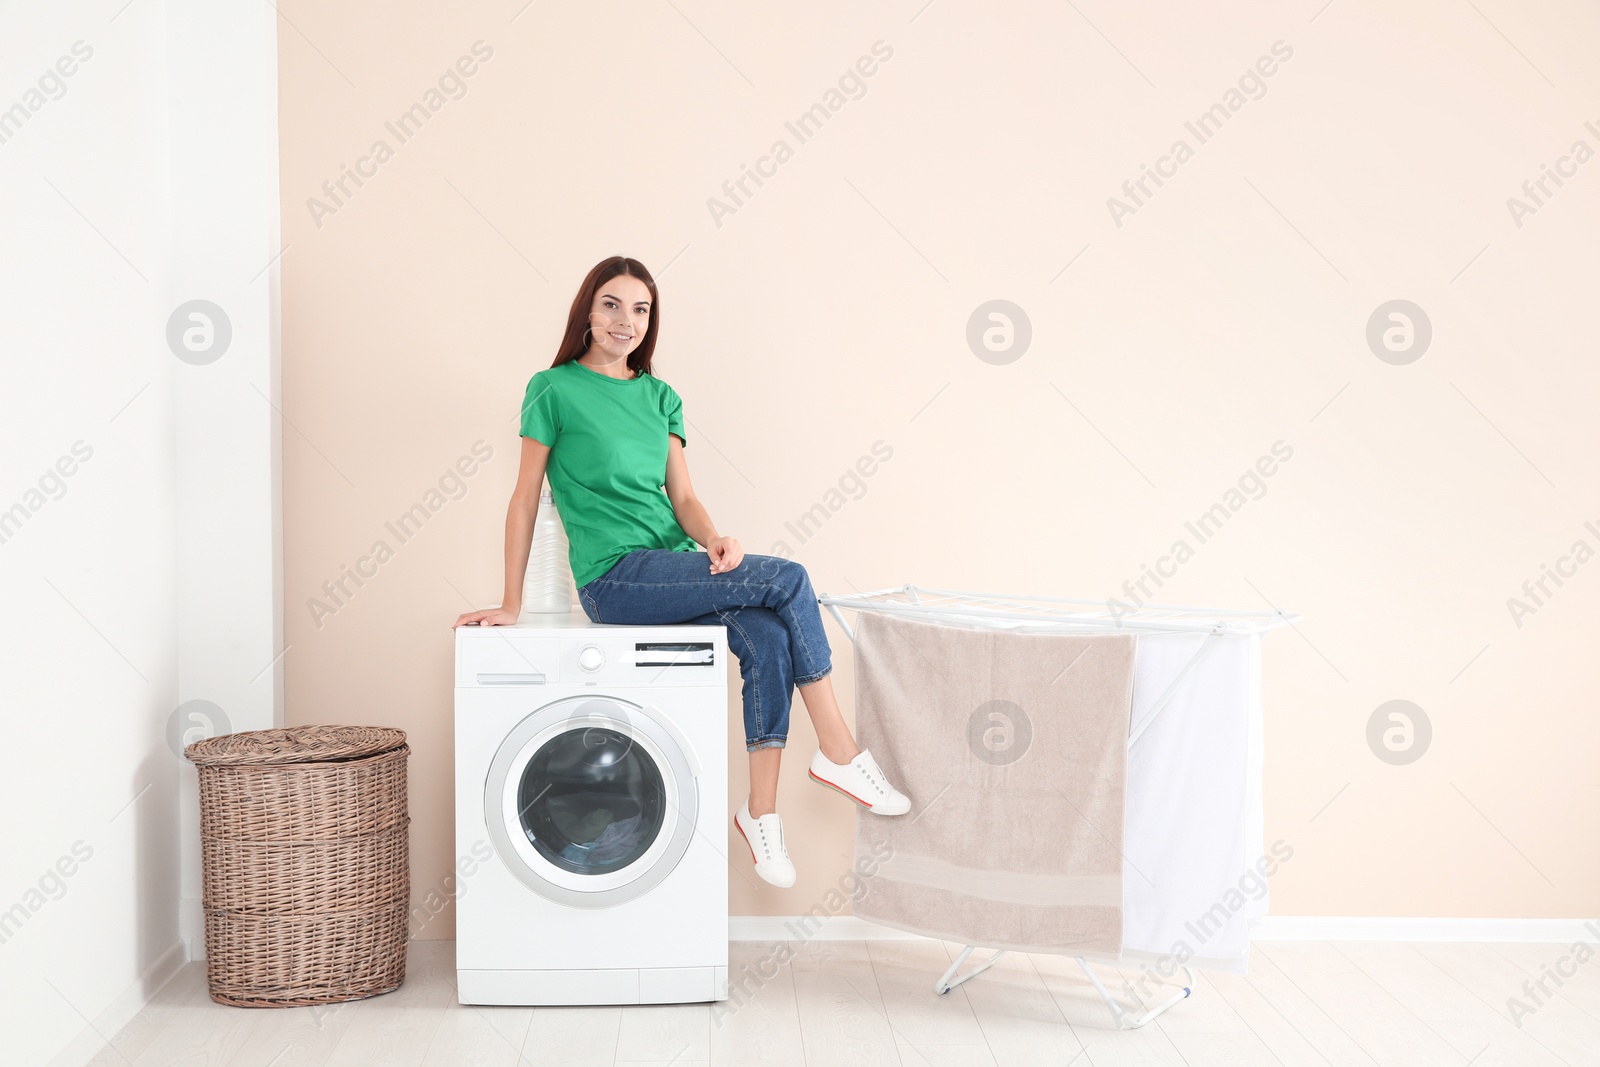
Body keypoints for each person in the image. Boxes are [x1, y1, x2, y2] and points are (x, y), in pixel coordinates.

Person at [453, 255, 909, 887]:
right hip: (614, 578)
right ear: (588, 309)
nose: (625, 321)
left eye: (640, 309)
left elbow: (684, 499)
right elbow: (526, 497)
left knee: (769, 636)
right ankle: (838, 750)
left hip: (670, 566)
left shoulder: (660, 396)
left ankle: (761, 814)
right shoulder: (552, 389)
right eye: (612, 304)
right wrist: (511, 603)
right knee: (790, 578)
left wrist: (713, 538)